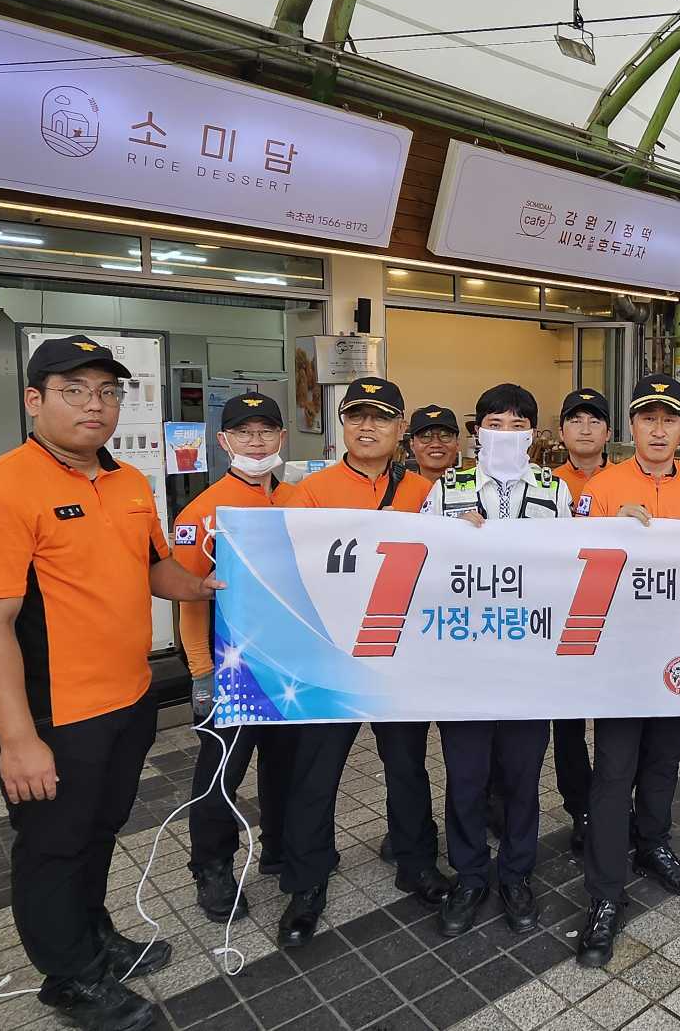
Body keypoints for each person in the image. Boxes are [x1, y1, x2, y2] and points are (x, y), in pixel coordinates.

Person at [0, 335, 222, 1031]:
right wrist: (18, 741)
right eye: (74, 391)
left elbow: (154, 569)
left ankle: (94, 939)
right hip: (52, 716)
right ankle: (69, 980)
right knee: (53, 847)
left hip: (127, 701)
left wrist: (207, 586)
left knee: (100, 829)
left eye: (106, 392)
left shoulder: (127, 483)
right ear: (34, 400)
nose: (94, 405)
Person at [282, 378, 450, 946]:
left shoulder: (426, 493)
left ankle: (416, 863)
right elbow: (285, 566)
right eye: (356, 416)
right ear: (343, 425)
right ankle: (306, 882)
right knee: (315, 773)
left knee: (407, 765)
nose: (367, 427)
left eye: (380, 417)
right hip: (329, 656)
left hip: (398, 653)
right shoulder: (310, 492)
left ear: (401, 428)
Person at [573, 374, 680, 967]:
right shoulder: (603, 488)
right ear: (631, 427)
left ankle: (653, 843)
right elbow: (572, 563)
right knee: (614, 772)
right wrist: (607, 528)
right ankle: (605, 892)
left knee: (664, 760)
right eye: (648, 418)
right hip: (620, 655)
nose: (659, 430)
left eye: (669, 419)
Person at [420, 384, 571, 937]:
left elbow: (574, 564)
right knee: (465, 776)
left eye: (517, 424)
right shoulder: (448, 488)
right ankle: (469, 876)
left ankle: (516, 873)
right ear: (477, 430)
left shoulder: (555, 490)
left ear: (533, 433)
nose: (505, 434)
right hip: (465, 662)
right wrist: (451, 539)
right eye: (494, 423)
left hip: (529, 660)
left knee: (522, 775)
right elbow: (422, 566)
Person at [171, 392, 294, 926]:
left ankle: (280, 849)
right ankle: (212, 866)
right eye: (244, 432)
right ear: (223, 441)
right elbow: (188, 599)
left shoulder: (301, 501)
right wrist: (201, 672)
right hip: (230, 668)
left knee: (286, 766)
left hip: (289, 665)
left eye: (266, 431)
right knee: (221, 773)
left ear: (282, 437)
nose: (256, 442)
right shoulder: (202, 511)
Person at [549, 386, 612, 848]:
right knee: (567, 725)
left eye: (594, 420)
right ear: (561, 431)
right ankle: (580, 808)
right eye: (575, 419)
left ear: (609, 432)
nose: (585, 428)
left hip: (618, 622)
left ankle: (615, 803)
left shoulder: (629, 479)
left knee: (616, 720)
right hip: (561, 621)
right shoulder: (543, 484)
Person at [406, 404, 461, 483]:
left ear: (457, 442)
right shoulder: (400, 488)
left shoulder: (475, 487)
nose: (436, 444)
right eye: (425, 436)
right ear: (412, 445)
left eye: (444, 435)